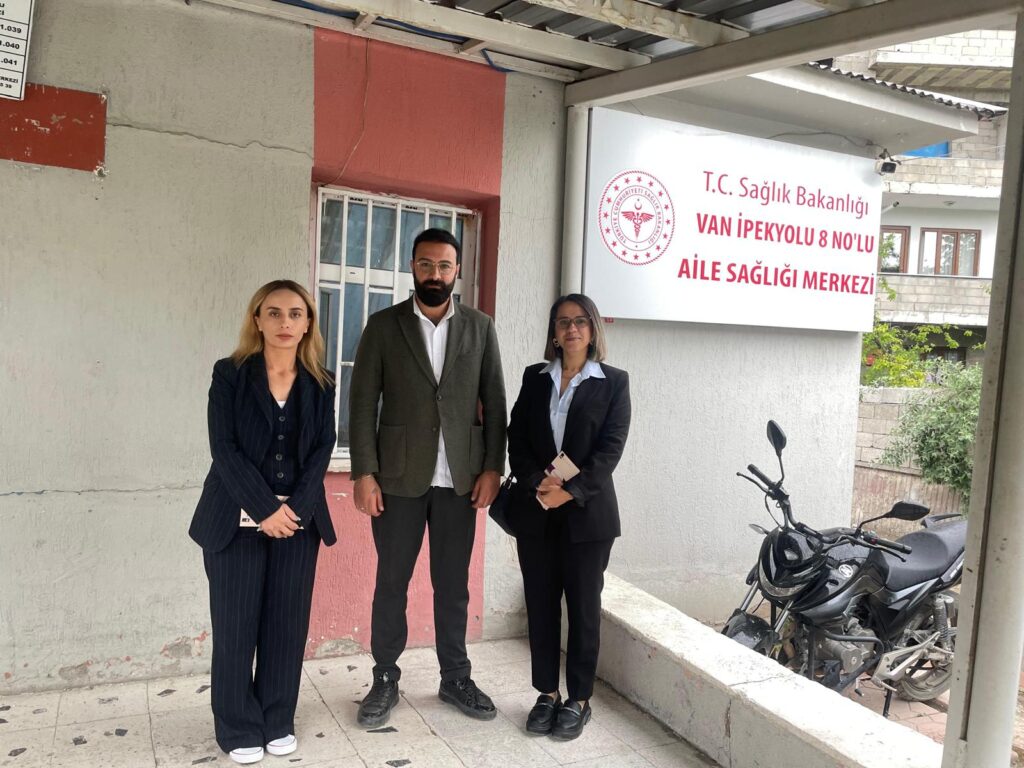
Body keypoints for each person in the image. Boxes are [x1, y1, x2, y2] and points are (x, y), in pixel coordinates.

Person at [349, 228, 507, 727]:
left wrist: (493, 467)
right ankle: (384, 677)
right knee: (391, 581)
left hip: (460, 480)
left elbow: (495, 401)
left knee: (453, 585)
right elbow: (362, 402)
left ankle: (455, 677)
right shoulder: (383, 326)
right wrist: (364, 473)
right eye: (425, 264)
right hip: (397, 479)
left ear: (457, 270)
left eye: (444, 265)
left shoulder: (480, 327)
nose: (434, 274)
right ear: (412, 267)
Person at [189, 280, 338, 765]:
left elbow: (322, 450)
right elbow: (224, 448)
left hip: (298, 521)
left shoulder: (322, 381)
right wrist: (264, 510)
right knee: (235, 628)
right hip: (234, 520)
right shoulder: (229, 374)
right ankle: (237, 726)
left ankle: (277, 719)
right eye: (273, 312)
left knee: (286, 627)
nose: (284, 322)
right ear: (257, 319)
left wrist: (293, 510)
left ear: (308, 323)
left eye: (295, 313)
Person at [506, 293, 631, 740]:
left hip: (587, 517)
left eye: (580, 321)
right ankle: (546, 693)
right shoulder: (535, 378)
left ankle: (578, 699)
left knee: (583, 610)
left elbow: (611, 448)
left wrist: (571, 491)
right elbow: (517, 437)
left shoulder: (613, 382)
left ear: (593, 329)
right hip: (538, 511)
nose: (571, 328)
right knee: (541, 607)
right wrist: (536, 482)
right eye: (563, 322)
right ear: (554, 333)